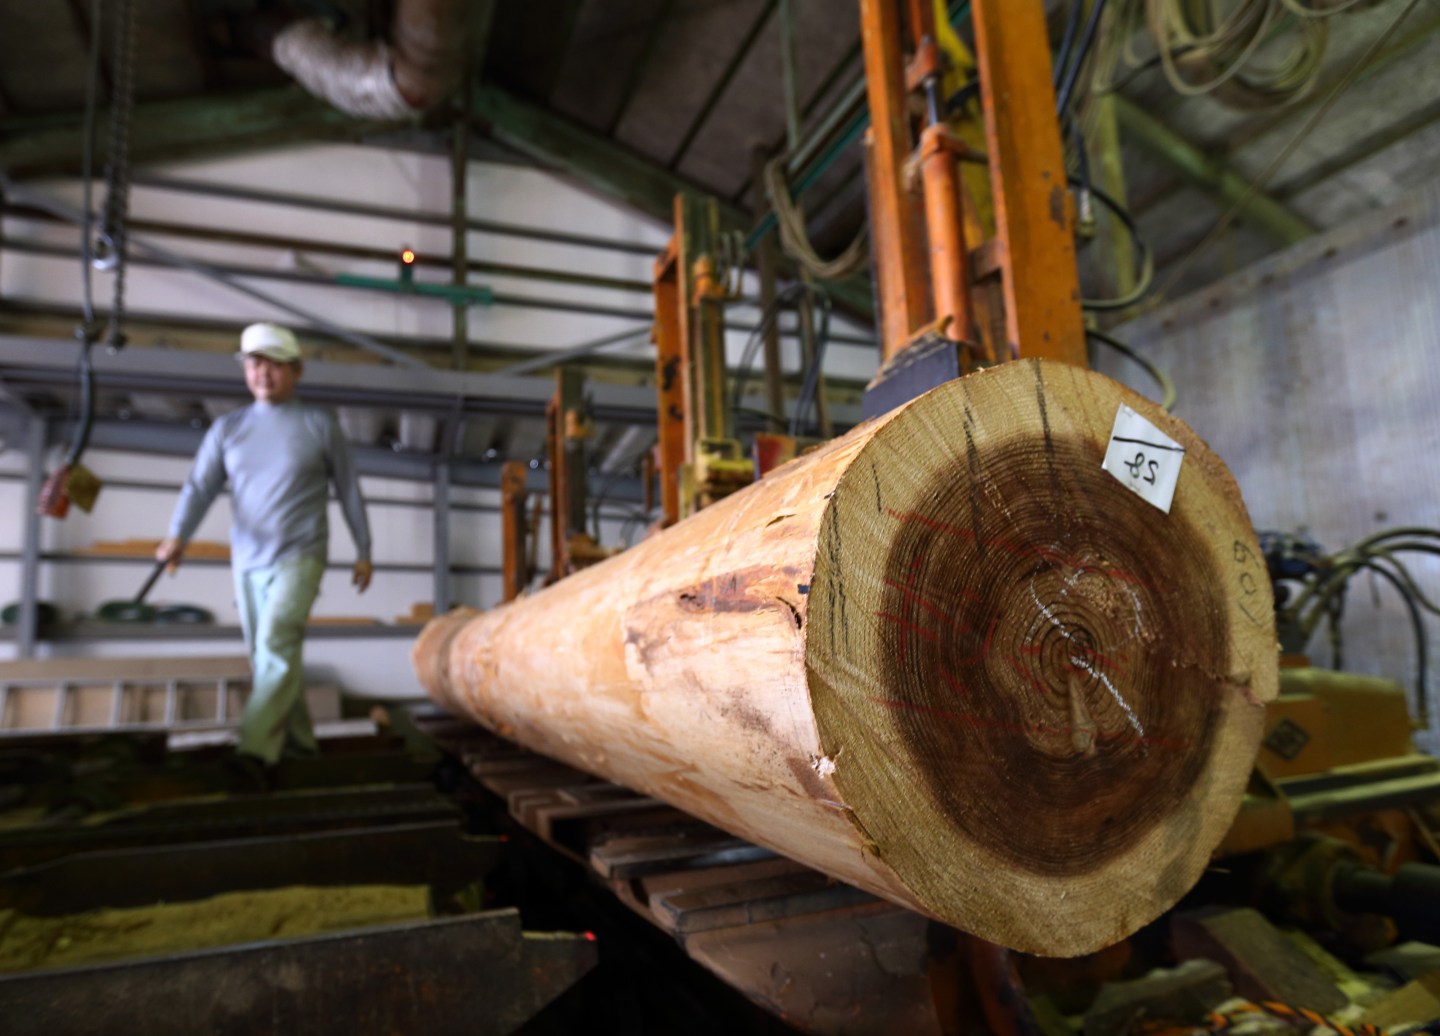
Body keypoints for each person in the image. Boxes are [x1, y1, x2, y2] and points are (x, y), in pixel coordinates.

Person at [157, 322, 373, 781]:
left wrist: (364, 549)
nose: (262, 373)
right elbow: (200, 487)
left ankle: (254, 751)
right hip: (248, 561)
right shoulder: (228, 429)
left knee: (276, 643)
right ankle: (300, 749)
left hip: (302, 553)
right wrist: (178, 536)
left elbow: (350, 489)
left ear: (296, 370)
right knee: (271, 657)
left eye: (274, 364)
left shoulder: (319, 424)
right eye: (254, 363)